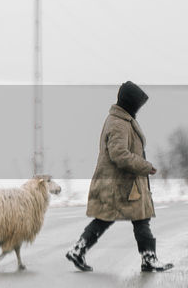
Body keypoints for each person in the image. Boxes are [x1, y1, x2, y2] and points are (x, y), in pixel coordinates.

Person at [66, 81, 173, 273]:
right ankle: (148, 258)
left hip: (122, 183)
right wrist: (145, 166)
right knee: (139, 218)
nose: (139, 108)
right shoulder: (118, 123)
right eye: (138, 104)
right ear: (130, 102)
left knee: (109, 218)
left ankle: (79, 249)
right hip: (121, 184)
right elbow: (119, 155)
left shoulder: (122, 119)